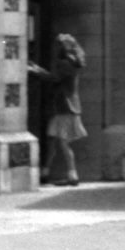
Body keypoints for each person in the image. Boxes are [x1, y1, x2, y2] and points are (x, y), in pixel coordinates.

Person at [46, 33, 87, 186]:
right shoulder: (73, 61)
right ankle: (46, 171)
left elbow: (54, 78)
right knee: (53, 140)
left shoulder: (66, 63)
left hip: (65, 107)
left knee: (62, 143)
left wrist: (34, 70)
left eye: (59, 45)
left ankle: (72, 174)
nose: (56, 48)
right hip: (66, 106)